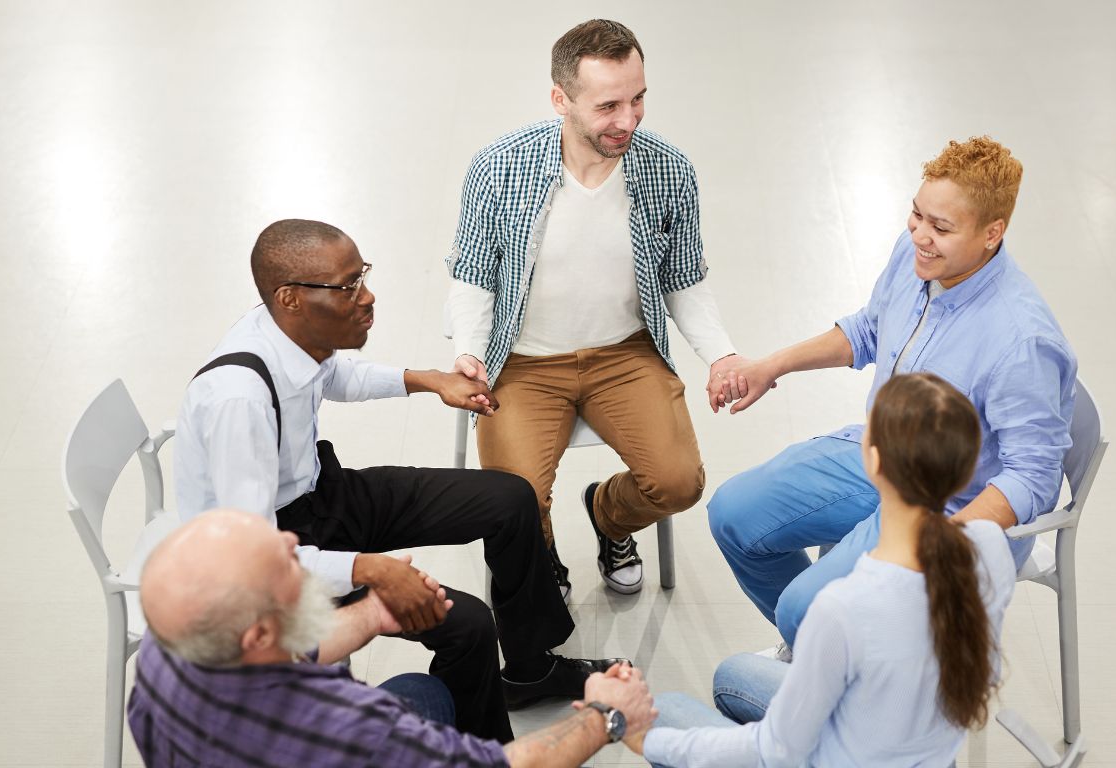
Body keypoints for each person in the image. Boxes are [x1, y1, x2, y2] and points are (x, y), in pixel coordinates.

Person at [173, 219, 621, 742]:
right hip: (274, 555)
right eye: (349, 287)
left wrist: (429, 381)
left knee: (511, 499)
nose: (368, 297)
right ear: (291, 298)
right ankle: (475, 751)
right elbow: (251, 561)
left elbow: (334, 375)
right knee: (469, 625)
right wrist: (371, 569)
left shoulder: (288, 330)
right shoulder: (239, 401)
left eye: (362, 276)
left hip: (322, 497)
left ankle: (529, 669)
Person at [708, 136, 1076, 651]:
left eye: (941, 227)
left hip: (952, 507)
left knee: (804, 610)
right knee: (733, 515)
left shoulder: (1022, 341)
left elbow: (1033, 476)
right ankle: (833, 656)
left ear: (993, 233)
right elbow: (871, 329)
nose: (919, 235)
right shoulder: (918, 255)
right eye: (917, 214)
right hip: (881, 458)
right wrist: (772, 366)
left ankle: (835, 666)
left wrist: (938, 544)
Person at [446, 19, 743, 598]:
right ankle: (544, 558)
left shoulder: (668, 169)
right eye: (609, 105)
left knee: (679, 483)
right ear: (561, 99)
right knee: (515, 501)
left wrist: (722, 355)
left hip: (624, 353)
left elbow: (683, 280)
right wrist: (467, 352)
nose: (628, 120)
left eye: (638, 99)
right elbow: (473, 276)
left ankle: (608, 516)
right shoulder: (498, 167)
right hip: (525, 361)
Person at [638, 373, 1018, 767]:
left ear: (872, 460)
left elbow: (775, 751)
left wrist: (641, 737)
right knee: (733, 674)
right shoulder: (989, 548)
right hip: (924, 751)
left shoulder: (841, 608)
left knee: (663, 714)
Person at [129, 509, 658, 768]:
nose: (292, 540)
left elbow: (284, 651)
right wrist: (605, 717)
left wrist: (370, 615)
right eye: (281, 558)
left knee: (422, 689)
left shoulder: (164, 653)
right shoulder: (350, 729)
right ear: (259, 630)